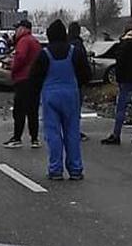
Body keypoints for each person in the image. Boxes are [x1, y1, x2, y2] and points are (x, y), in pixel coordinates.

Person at [29, 20, 92, 180]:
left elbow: (34, 77)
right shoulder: (74, 51)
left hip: (51, 95)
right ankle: (76, 169)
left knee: (53, 133)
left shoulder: (44, 54)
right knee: (72, 132)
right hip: (71, 94)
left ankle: (55, 169)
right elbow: (86, 74)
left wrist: (34, 95)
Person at [102, 27, 132, 145]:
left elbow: (119, 64)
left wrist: (119, 79)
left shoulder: (124, 46)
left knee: (121, 107)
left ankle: (116, 135)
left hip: (126, 81)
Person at [3, 19, 42, 149]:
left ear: (23, 29)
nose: (15, 31)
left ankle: (17, 137)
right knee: (33, 110)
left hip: (23, 79)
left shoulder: (24, 41)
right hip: (34, 79)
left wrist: (12, 65)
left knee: (19, 110)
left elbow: (20, 58)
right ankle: (34, 138)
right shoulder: (34, 41)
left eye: (17, 28)